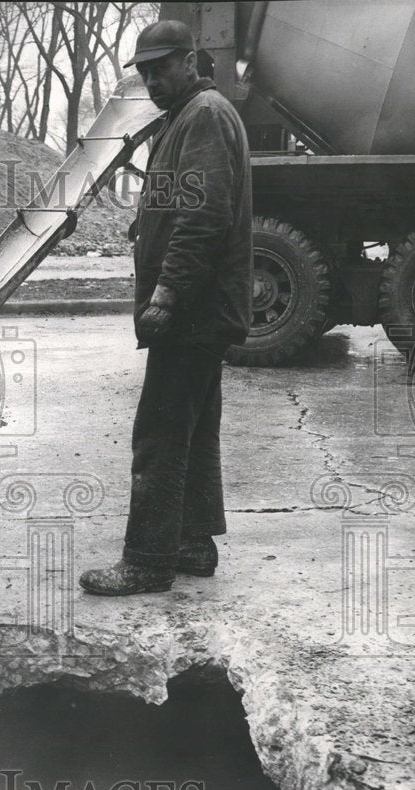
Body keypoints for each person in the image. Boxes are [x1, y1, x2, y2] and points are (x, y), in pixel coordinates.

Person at [80, 20, 252, 596]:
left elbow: (203, 219)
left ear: (190, 60)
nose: (152, 80)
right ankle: (192, 543)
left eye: (161, 67)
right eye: (144, 71)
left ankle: (148, 561)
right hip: (205, 311)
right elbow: (186, 202)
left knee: (157, 433)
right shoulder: (190, 114)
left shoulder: (202, 114)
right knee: (195, 430)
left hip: (192, 311)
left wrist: (167, 293)